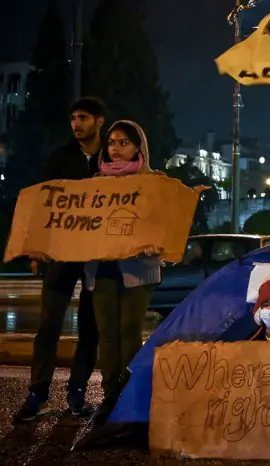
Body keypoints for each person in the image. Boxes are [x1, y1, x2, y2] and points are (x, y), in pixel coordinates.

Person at [14, 97, 106, 423]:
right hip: (61, 255)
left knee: (90, 327)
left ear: (98, 121)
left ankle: (77, 392)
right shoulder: (60, 158)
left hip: (95, 256)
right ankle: (37, 393)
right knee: (48, 325)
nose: (76, 124)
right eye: (72, 118)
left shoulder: (109, 161)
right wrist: (37, 248)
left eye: (82, 117)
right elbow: (45, 206)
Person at [85, 120, 163, 425]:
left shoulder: (155, 184)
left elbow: (164, 224)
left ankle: (130, 396)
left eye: (124, 143)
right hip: (102, 267)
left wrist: (154, 245)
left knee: (130, 329)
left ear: (137, 148)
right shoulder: (93, 184)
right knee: (108, 332)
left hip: (137, 268)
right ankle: (109, 394)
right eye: (112, 142)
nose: (116, 149)